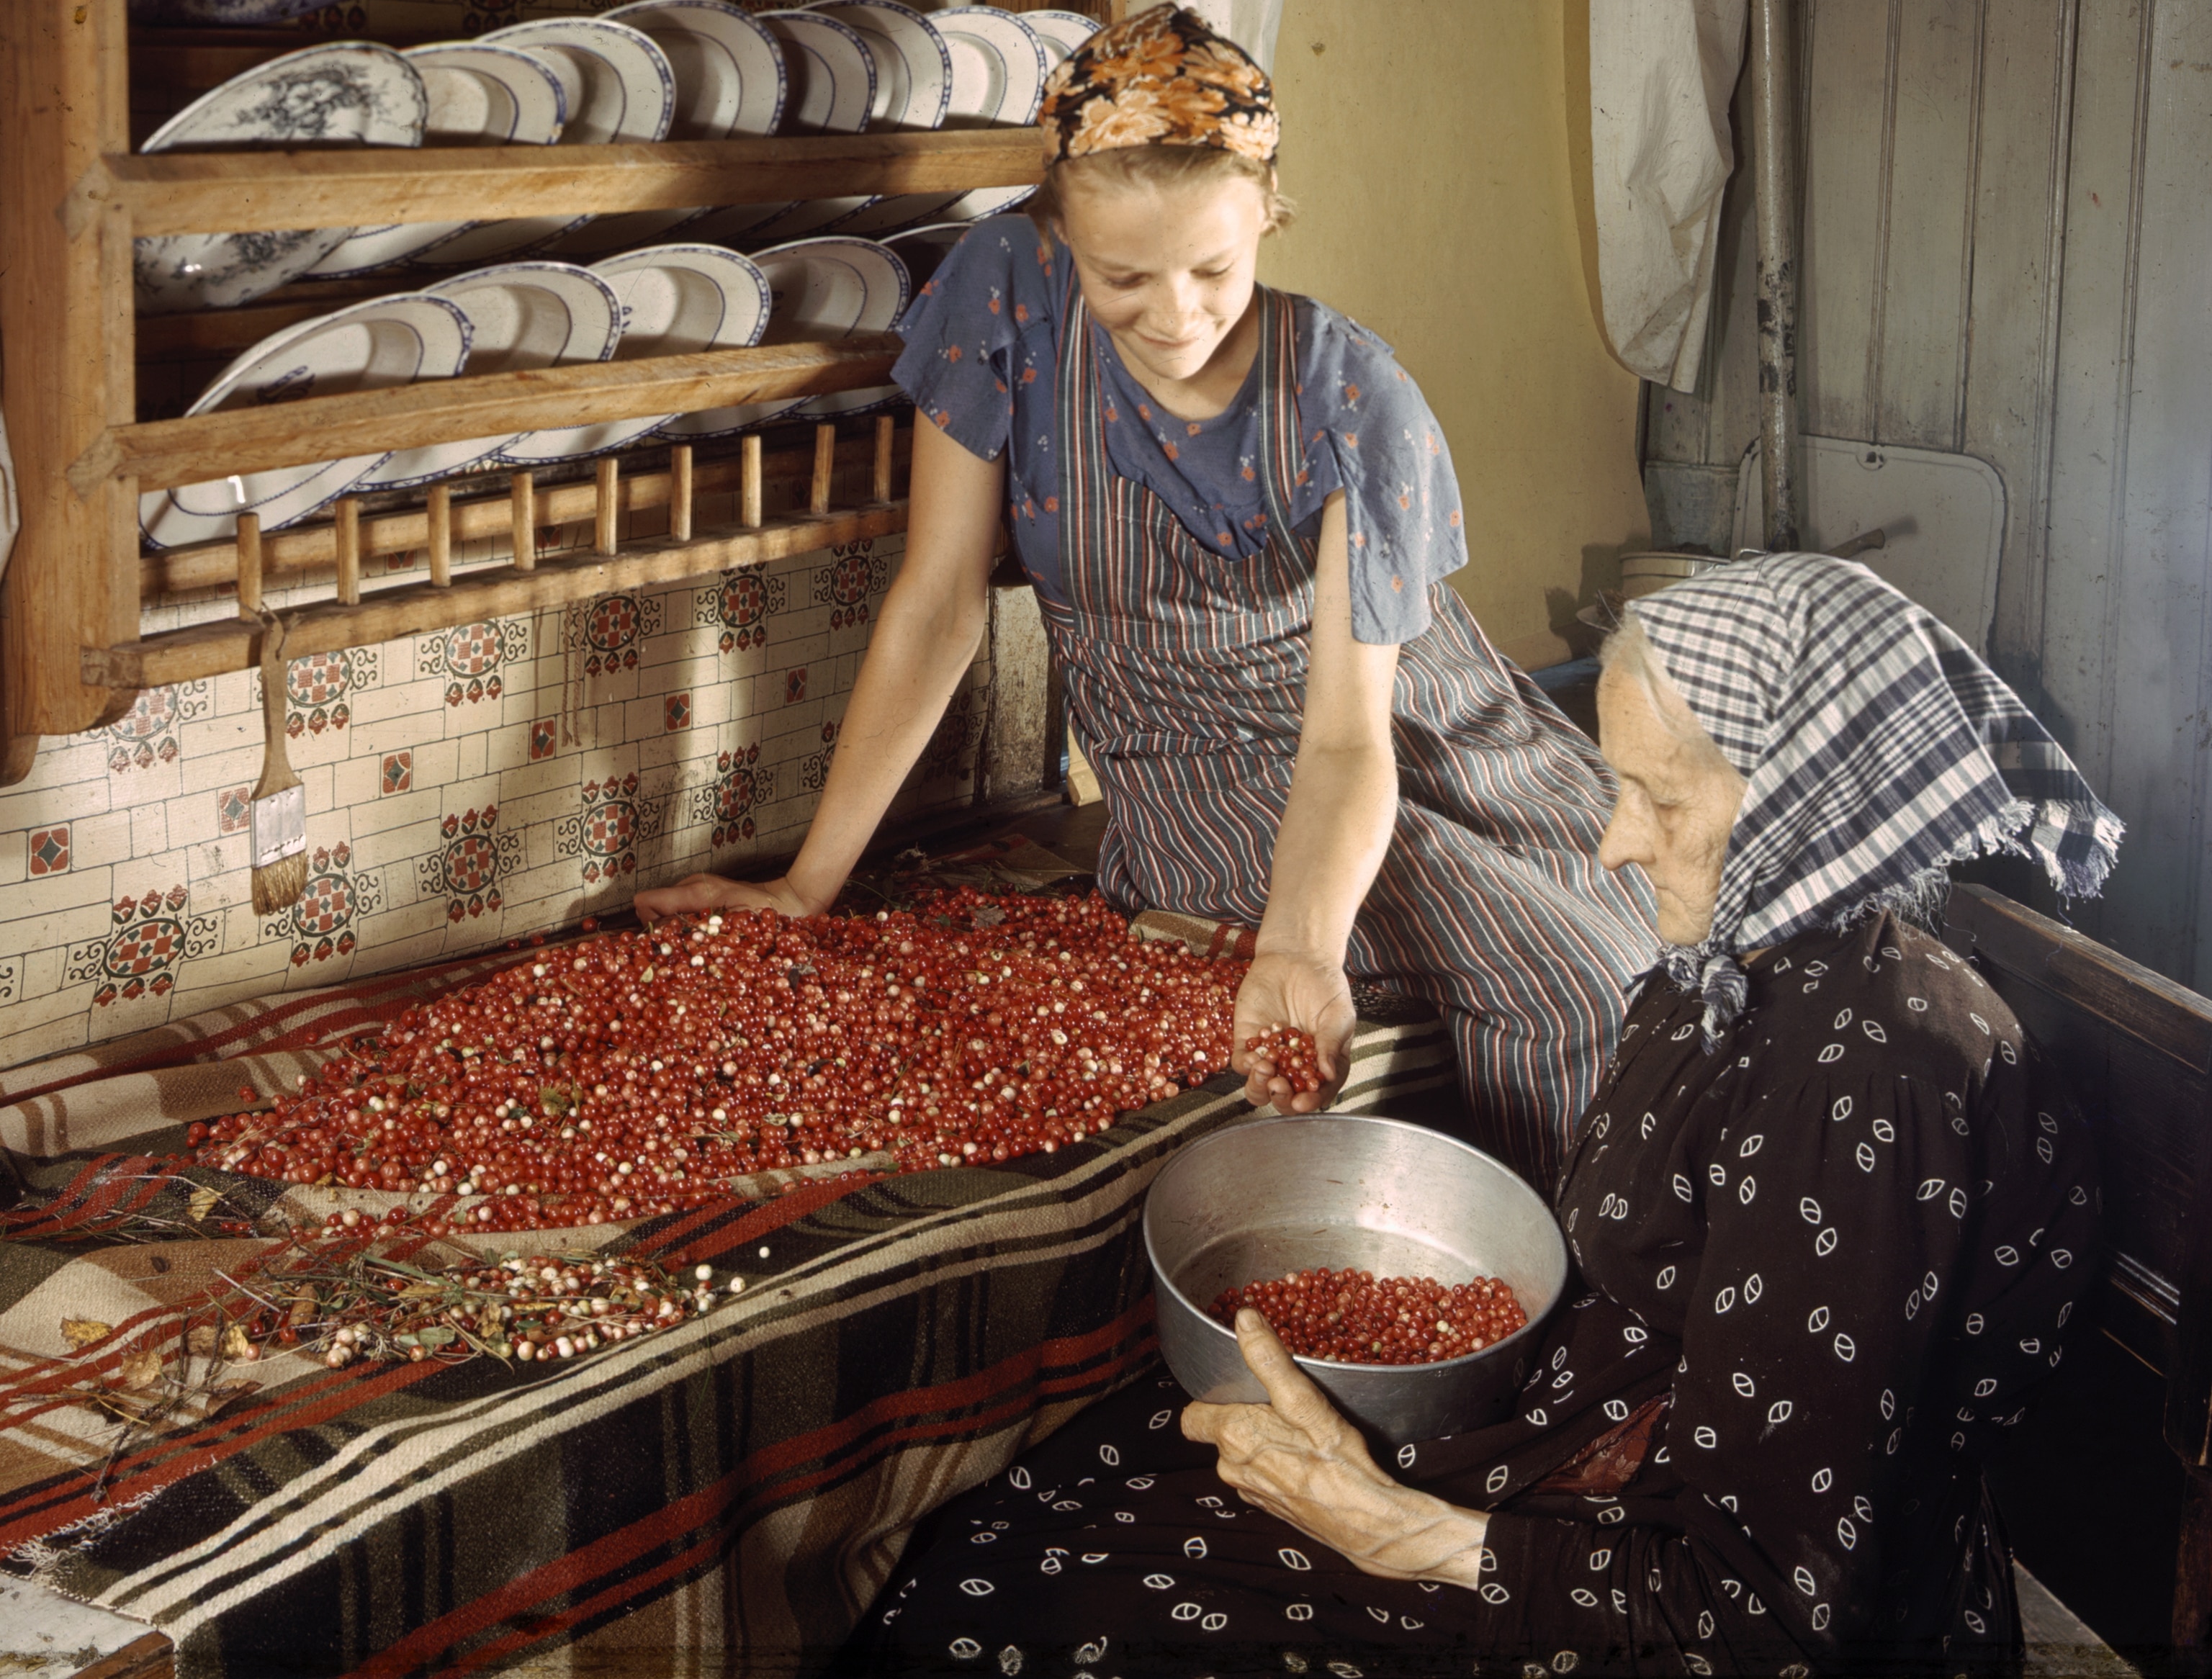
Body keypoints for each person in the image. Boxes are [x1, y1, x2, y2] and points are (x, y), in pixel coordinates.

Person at [837, 553, 2117, 1678]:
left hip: (1687, 1596)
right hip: (1610, 1447)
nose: (1613, 849)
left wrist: (1403, 1530)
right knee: (1055, 1508)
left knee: (1045, 1614)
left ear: (1814, 807)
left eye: (1663, 803)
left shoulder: (1868, 1091)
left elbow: (1769, 1616)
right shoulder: (1746, 965)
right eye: (1617, 788)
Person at [634, 5, 1657, 1187]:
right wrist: (808, 884)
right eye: (1124, 276)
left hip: (1391, 722)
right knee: (1561, 977)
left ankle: (1601, 1286)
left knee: (1641, 926)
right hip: (1197, 761)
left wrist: (1302, 946)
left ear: (1268, 213)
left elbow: (1346, 738)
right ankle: (1580, 1303)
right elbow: (937, 603)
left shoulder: (1353, 394)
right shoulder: (1004, 295)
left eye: (1215, 269)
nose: (1174, 317)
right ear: (1059, 231)